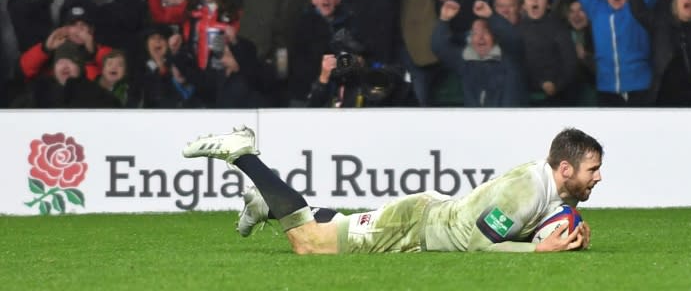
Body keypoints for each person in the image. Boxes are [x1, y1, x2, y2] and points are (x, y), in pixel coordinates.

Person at [182, 126, 601, 254]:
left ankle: (267, 205)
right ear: (565, 168)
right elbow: (479, 246)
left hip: (425, 220)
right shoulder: (524, 190)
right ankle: (243, 154)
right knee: (309, 244)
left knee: (333, 229)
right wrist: (537, 250)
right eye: (592, 170)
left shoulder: (552, 191)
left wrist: (566, 235)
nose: (598, 177)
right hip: (412, 227)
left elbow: (526, 227)